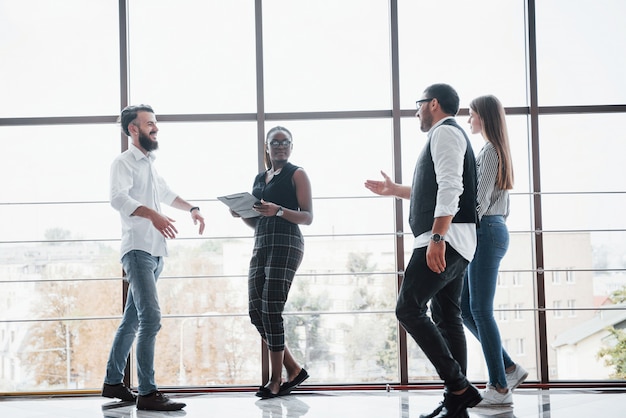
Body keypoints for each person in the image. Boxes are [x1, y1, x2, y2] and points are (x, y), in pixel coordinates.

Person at [365, 83, 481, 418]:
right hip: (457, 238)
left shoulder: (444, 133)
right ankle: (456, 400)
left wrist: (437, 237)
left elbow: (451, 186)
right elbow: (433, 187)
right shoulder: (449, 135)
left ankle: (459, 386)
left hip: (444, 238)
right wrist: (394, 190)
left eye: (418, 105)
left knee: (408, 309)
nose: (415, 112)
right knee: (447, 317)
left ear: (433, 103)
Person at [101, 104, 205, 411]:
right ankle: (147, 392)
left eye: (155, 123)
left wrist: (193, 208)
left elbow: (168, 194)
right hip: (137, 250)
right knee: (151, 319)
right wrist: (153, 216)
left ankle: (112, 382)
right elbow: (118, 198)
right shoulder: (124, 162)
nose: (155, 128)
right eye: (149, 124)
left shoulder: (149, 164)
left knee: (132, 319)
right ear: (133, 129)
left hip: (156, 253)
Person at [231, 126, 313, 399]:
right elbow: (256, 220)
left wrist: (278, 210)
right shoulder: (260, 178)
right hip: (262, 242)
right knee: (256, 311)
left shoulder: (297, 174)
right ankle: (294, 370)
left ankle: (276, 379)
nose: (280, 146)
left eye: (285, 142)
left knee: (271, 309)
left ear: (291, 146)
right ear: (266, 147)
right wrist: (241, 212)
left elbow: (307, 216)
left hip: (287, 242)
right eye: (274, 142)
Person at [461, 95, 528, 406]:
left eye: (472, 115)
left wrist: (457, 228)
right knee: (466, 308)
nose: (469, 120)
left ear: (484, 117)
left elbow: (479, 202)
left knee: (481, 311)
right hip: (490, 229)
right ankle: (510, 368)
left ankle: (499, 388)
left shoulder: (490, 151)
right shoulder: (494, 151)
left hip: (485, 230)